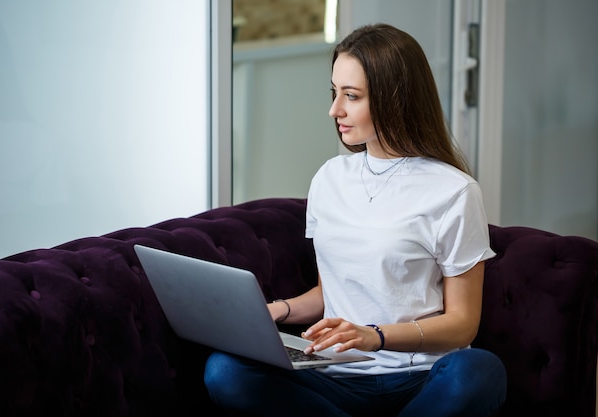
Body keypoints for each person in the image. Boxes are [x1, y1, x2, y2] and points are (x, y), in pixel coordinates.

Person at [203, 23, 507, 417]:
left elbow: (463, 324)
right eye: (334, 93)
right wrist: (274, 311)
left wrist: (374, 337)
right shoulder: (331, 178)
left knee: (478, 370)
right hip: (336, 376)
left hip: (420, 377)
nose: (335, 110)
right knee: (225, 369)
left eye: (352, 96)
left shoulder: (455, 191)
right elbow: (330, 292)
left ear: (395, 98)